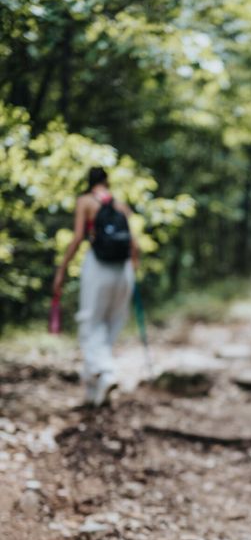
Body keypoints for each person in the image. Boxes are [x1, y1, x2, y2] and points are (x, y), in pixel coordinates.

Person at [53, 167, 138, 406]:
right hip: (124, 270)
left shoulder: (85, 201)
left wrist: (61, 271)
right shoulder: (121, 205)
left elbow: (79, 237)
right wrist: (134, 269)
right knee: (112, 323)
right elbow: (135, 245)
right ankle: (93, 389)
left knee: (90, 323)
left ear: (89, 182)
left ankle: (106, 371)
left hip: (98, 267)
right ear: (107, 181)